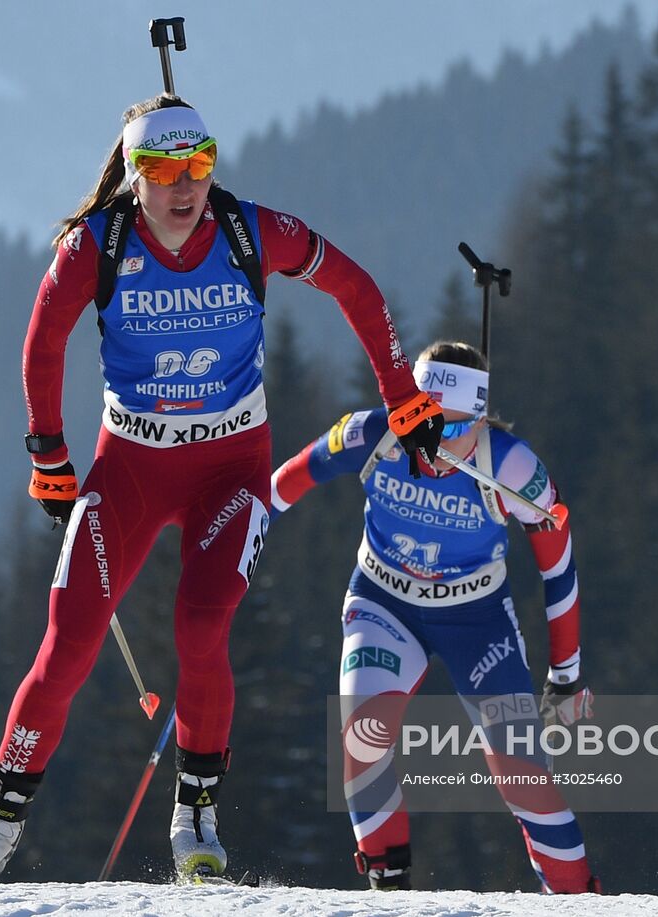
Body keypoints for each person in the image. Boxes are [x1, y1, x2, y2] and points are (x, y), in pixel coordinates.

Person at [0, 95, 444, 882]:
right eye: (164, 169)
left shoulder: (249, 231)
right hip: (130, 465)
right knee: (68, 641)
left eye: (199, 163)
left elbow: (356, 288)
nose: (184, 185)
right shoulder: (96, 244)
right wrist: (49, 453)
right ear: (135, 176)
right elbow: (43, 339)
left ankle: (195, 814)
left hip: (232, 471)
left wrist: (403, 396)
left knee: (202, 629)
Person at [269, 340, 599, 893]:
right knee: (362, 741)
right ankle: (389, 893)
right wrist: (234, 542)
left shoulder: (513, 466)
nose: (430, 444)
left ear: (479, 419)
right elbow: (286, 482)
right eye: (419, 421)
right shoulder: (370, 433)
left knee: (522, 778)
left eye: (449, 430)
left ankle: (579, 901)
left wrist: (565, 674)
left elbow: (559, 572)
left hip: (478, 622)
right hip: (384, 603)